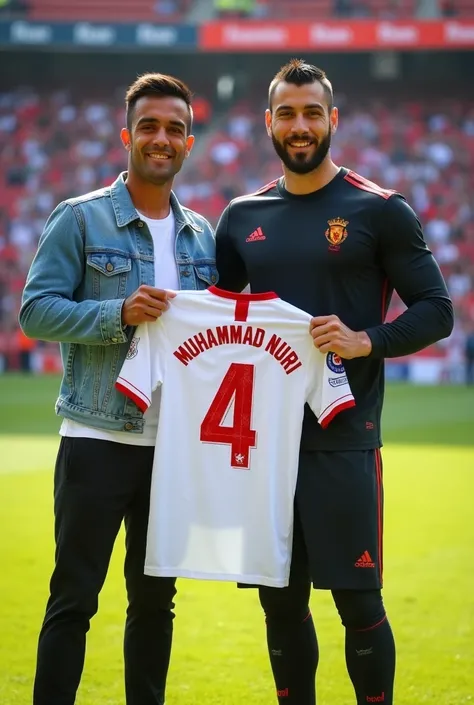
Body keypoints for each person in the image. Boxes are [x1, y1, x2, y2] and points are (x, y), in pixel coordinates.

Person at [215, 59, 454, 705]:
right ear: (268, 122)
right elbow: (213, 315)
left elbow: (437, 309)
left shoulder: (379, 210)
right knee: (280, 604)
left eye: (312, 112)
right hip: (261, 447)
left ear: (333, 120)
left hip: (344, 438)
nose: (300, 125)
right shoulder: (241, 217)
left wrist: (365, 339)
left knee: (357, 600)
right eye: (287, 113)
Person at [19, 73, 216, 705]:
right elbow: (35, 311)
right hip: (96, 437)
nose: (163, 139)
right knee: (74, 595)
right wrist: (115, 315)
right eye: (151, 126)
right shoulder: (80, 219)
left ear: (189, 143)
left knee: (156, 601)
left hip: (173, 448)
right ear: (127, 135)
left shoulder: (203, 237)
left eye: (176, 129)